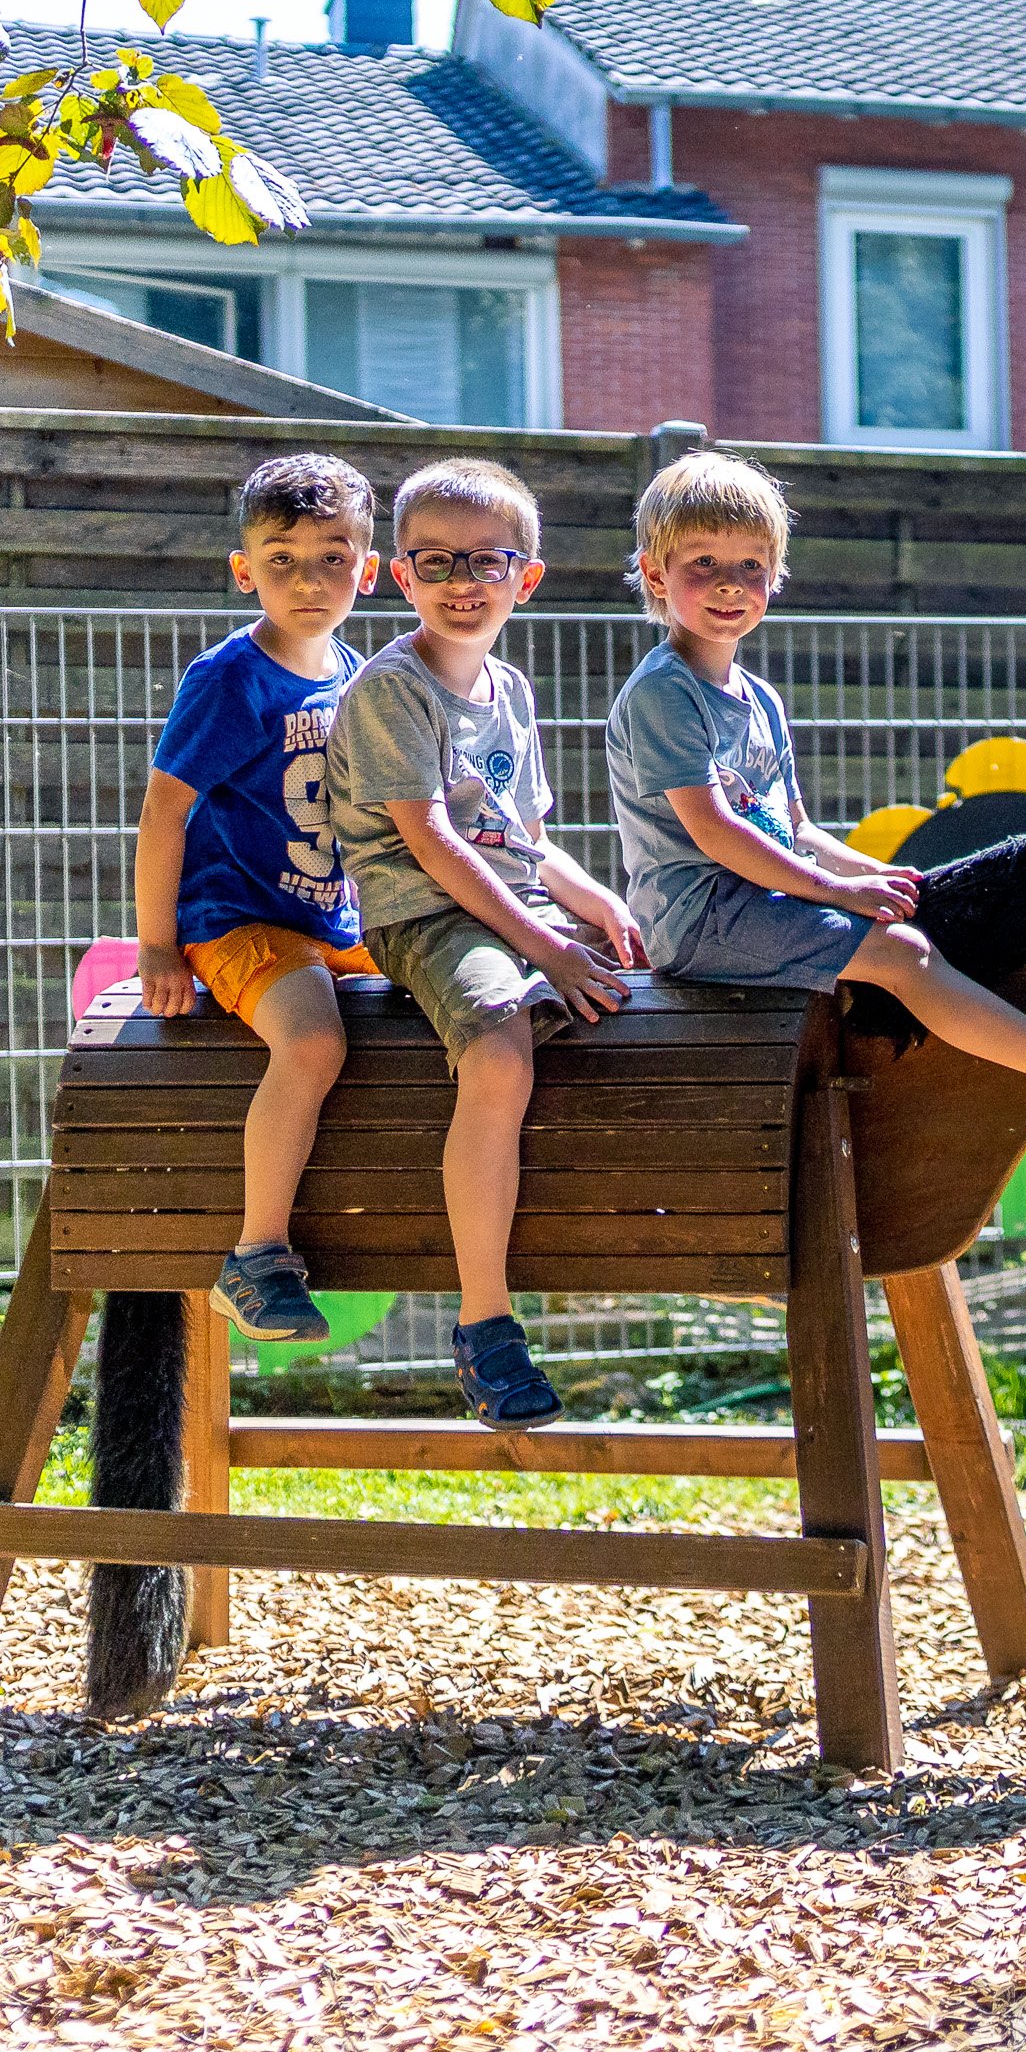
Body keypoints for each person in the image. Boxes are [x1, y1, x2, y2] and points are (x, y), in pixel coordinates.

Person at [604, 449, 1026, 1140]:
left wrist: (880, 875)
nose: (730, 584)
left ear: (776, 575)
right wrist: (837, 894)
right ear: (654, 573)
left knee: (928, 919)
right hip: (701, 919)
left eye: (750, 565)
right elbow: (716, 833)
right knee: (905, 957)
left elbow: (795, 829)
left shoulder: (760, 699)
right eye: (703, 564)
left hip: (760, 900)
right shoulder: (665, 693)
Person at [321, 458, 644, 1429]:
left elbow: (528, 843)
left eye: (486, 562)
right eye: (437, 561)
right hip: (424, 913)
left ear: (526, 578)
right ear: (400, 576)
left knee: (654, 972)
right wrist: (549, 948)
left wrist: (604, 908)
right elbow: (435, 843)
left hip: (504, 899)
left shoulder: (508, 687)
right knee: (502, 1040)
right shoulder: (393, 691)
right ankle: (484, 1321)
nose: (464, 582)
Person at [133, 453, 380, 1346]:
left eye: (332, 556)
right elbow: (165, 808)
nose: (308, 579)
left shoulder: (355, 670)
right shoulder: (230, 677)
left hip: (331, 917)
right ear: (245, 572)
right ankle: (256, 1254)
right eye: (282, 560)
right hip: (238, 919)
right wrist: (157, 946)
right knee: (313, 1042)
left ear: (369, 567)